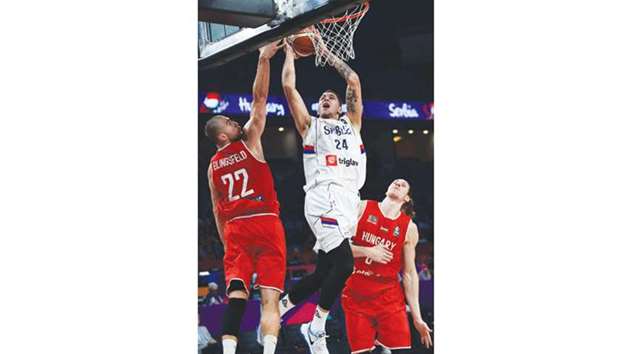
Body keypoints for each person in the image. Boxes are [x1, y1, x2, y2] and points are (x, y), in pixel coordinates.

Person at [275, 40, 367, 354]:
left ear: (341, 107)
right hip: (323, 197)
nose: (326, 98)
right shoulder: (310, 127)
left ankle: (281, 307)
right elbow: (288, 86)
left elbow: (352, 79)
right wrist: (290, 53)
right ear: (318, 108)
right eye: (322, 98)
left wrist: (323, 52)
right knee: (344, 265)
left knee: (324, 273)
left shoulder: (352, 125)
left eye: (331, 97)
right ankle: (316, 326)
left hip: (348, 201)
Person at [205, 40, 285, 354]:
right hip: (264, 222)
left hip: (235, 229)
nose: (235, 121)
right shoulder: (249, 140)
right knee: (270, 299)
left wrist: (227, 240)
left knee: (236, 295)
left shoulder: (211, 167)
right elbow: (260, 98)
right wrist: (264, 59)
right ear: (222, 135)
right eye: (229, 122)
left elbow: (215, 207)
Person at [341, 179, 433, 353]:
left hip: (389, 298)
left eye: (403, 184)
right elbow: (330, 247)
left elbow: (409, 274)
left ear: (406, 198)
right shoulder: (361, 207)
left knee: (401, 351)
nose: (398, 183)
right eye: (395, 182)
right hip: (356, 295)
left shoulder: (409, 228)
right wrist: (367, 251)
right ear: (386, 189)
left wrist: (417, 318)